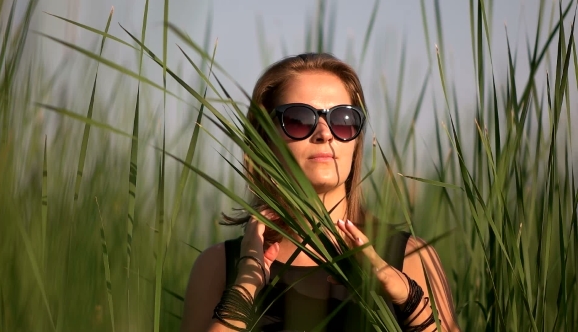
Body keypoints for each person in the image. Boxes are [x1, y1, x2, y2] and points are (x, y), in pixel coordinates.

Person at [181, 53, 459, 332]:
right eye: (300, 119)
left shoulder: (411, 256)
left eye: (343, 120)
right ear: (265, 139)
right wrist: (244, 285)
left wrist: (405, 296)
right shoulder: (219, 265)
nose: (325, 133)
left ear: (355, 140)